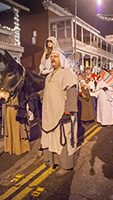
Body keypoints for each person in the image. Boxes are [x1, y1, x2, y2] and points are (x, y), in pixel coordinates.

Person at [41, 48, 78, 177]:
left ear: (61, 59)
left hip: (62, 115)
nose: (52, 59)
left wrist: (67, 112)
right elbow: (49, 91)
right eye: (51, 57)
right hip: (49, 114)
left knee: (62, 139)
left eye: (55, 57)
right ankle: (53, 161)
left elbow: (72, 92)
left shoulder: (67, 73)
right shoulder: (49, 75)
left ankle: (66, 166)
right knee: (51, 138)